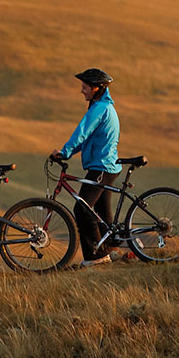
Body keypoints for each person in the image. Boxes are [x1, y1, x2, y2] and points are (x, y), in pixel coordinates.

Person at [51, 68, 122, 266]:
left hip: (102, 166)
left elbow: (81, 133)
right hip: (107, 165)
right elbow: (85, 139)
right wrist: (69, 152)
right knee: (101, 210)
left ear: (96, 88)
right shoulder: (102, 107)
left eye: (84, 87)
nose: (82, 91)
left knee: (82, 208)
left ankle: (96, 256)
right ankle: (110, 250)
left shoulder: (99, 109)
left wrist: (64, 152)